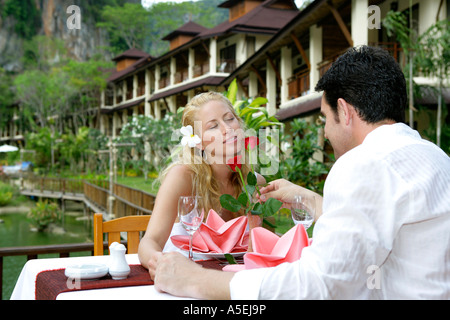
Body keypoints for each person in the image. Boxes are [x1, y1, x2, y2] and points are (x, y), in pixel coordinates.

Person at [152, 46, 450, 299]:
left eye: (324, 118)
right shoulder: (435, 156)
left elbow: (318, 283)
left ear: (344, 112)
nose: (325, 132)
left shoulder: (365, 164)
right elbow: (373, 224)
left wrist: (197, 281)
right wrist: (307, 197)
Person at [138, 92, 265, 277]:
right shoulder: (183, 177)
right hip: (184, 282)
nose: (227, 129)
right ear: (199, 143)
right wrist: (158, 262)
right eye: (213, 126)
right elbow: (150, 241)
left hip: (236, 283)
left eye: (230, 119)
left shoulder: (255, 183)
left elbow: (262, 249)